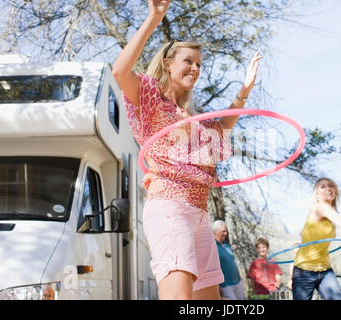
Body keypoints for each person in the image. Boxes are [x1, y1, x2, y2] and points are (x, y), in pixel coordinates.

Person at [112, 0, 261, 300]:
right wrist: (154, 18)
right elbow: (119, 71)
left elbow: (221, 129)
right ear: (168, 63)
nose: (195, 68)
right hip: (170, 208)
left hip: (199, 214)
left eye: (199, 64)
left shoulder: (191, 118)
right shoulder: (150, 96)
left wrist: (244, 90)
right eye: (188, 61)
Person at [292, 177, 341, 300]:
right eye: (323, 186)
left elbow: (305, 233)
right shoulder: (320, 207)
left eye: (331, 185)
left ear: (335, 191)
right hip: (304, 271)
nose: (328, 188)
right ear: (317, 194)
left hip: (325, 270)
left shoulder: (329, 213)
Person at [213, 220, 245, 300]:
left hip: (238, 282)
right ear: (216, 231)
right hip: (226, 285)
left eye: (226, 231)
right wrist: (218, 286)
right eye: (223, 231)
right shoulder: (212, 247)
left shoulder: (226, 245)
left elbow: (232, 262)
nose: (226, 233)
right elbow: (212, 267)